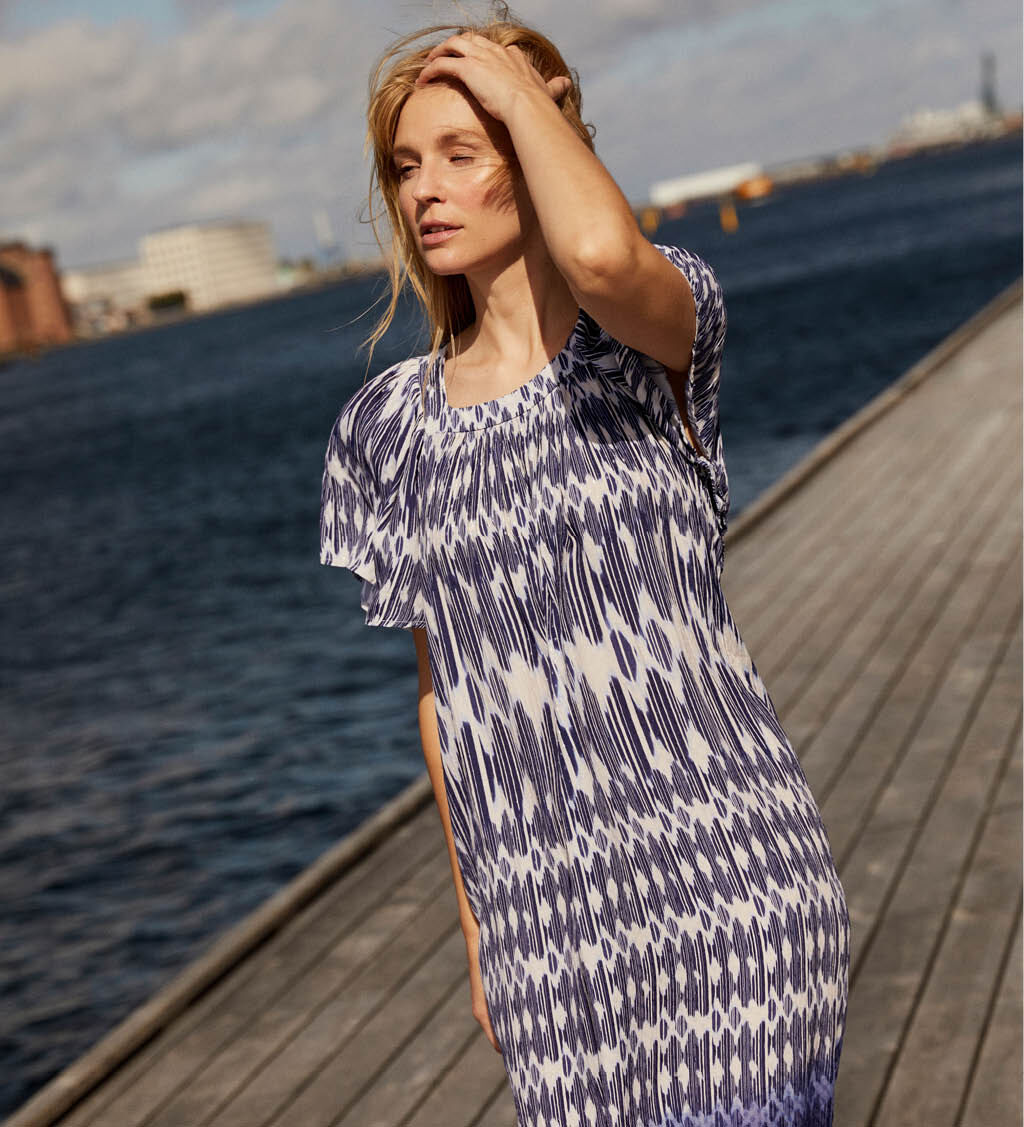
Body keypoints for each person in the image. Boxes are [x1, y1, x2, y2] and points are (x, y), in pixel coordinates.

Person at [319, 7, 850, 1124]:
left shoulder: (652, 342)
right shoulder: (385, 430)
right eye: (406, 166)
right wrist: (480, 925)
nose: (425, 192)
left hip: (730, 878)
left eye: (463, 154)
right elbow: (443, 694)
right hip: (548, 935)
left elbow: (603, 255)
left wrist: (525, 97)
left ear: (541, 149)